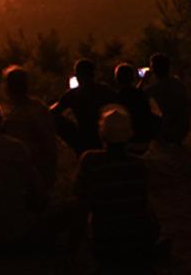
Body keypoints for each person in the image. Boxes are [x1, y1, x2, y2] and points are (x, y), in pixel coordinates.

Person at [0, 100, 80, 253]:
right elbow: (38, 195)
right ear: (0, 121)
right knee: (75, 205)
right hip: (16, 236)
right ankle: (70, 257)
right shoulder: (15, 148)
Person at [73, 107, 161, 273]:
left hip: (105, 239)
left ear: (102, 134)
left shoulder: (90, 161)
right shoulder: (139, 165)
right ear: (128, 136)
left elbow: (81, 200)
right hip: (137, 239)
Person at [1, 66, 58, 189]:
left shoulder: (19, 115)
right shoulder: (39, 107)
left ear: (9, 87)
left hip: (30, 176)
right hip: (41, 173)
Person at [50, 59, 117, 155]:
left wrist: (69, 129)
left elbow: (52, 112)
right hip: (105, 139)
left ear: (78, 76)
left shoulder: (72, 94)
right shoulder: (104, 90)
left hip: (82, 138)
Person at [141, 54, 191, 146]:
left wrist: (143, 80)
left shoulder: (155, 89)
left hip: (167, 130)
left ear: (154, 70)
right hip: (183, 127)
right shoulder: (179, 84)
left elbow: (135, 96)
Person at [114, 63, 161, 155]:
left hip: (127, 143)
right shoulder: (142, 95)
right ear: (132, 78)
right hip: (144, 140)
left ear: (117, 79)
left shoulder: (116, 98)